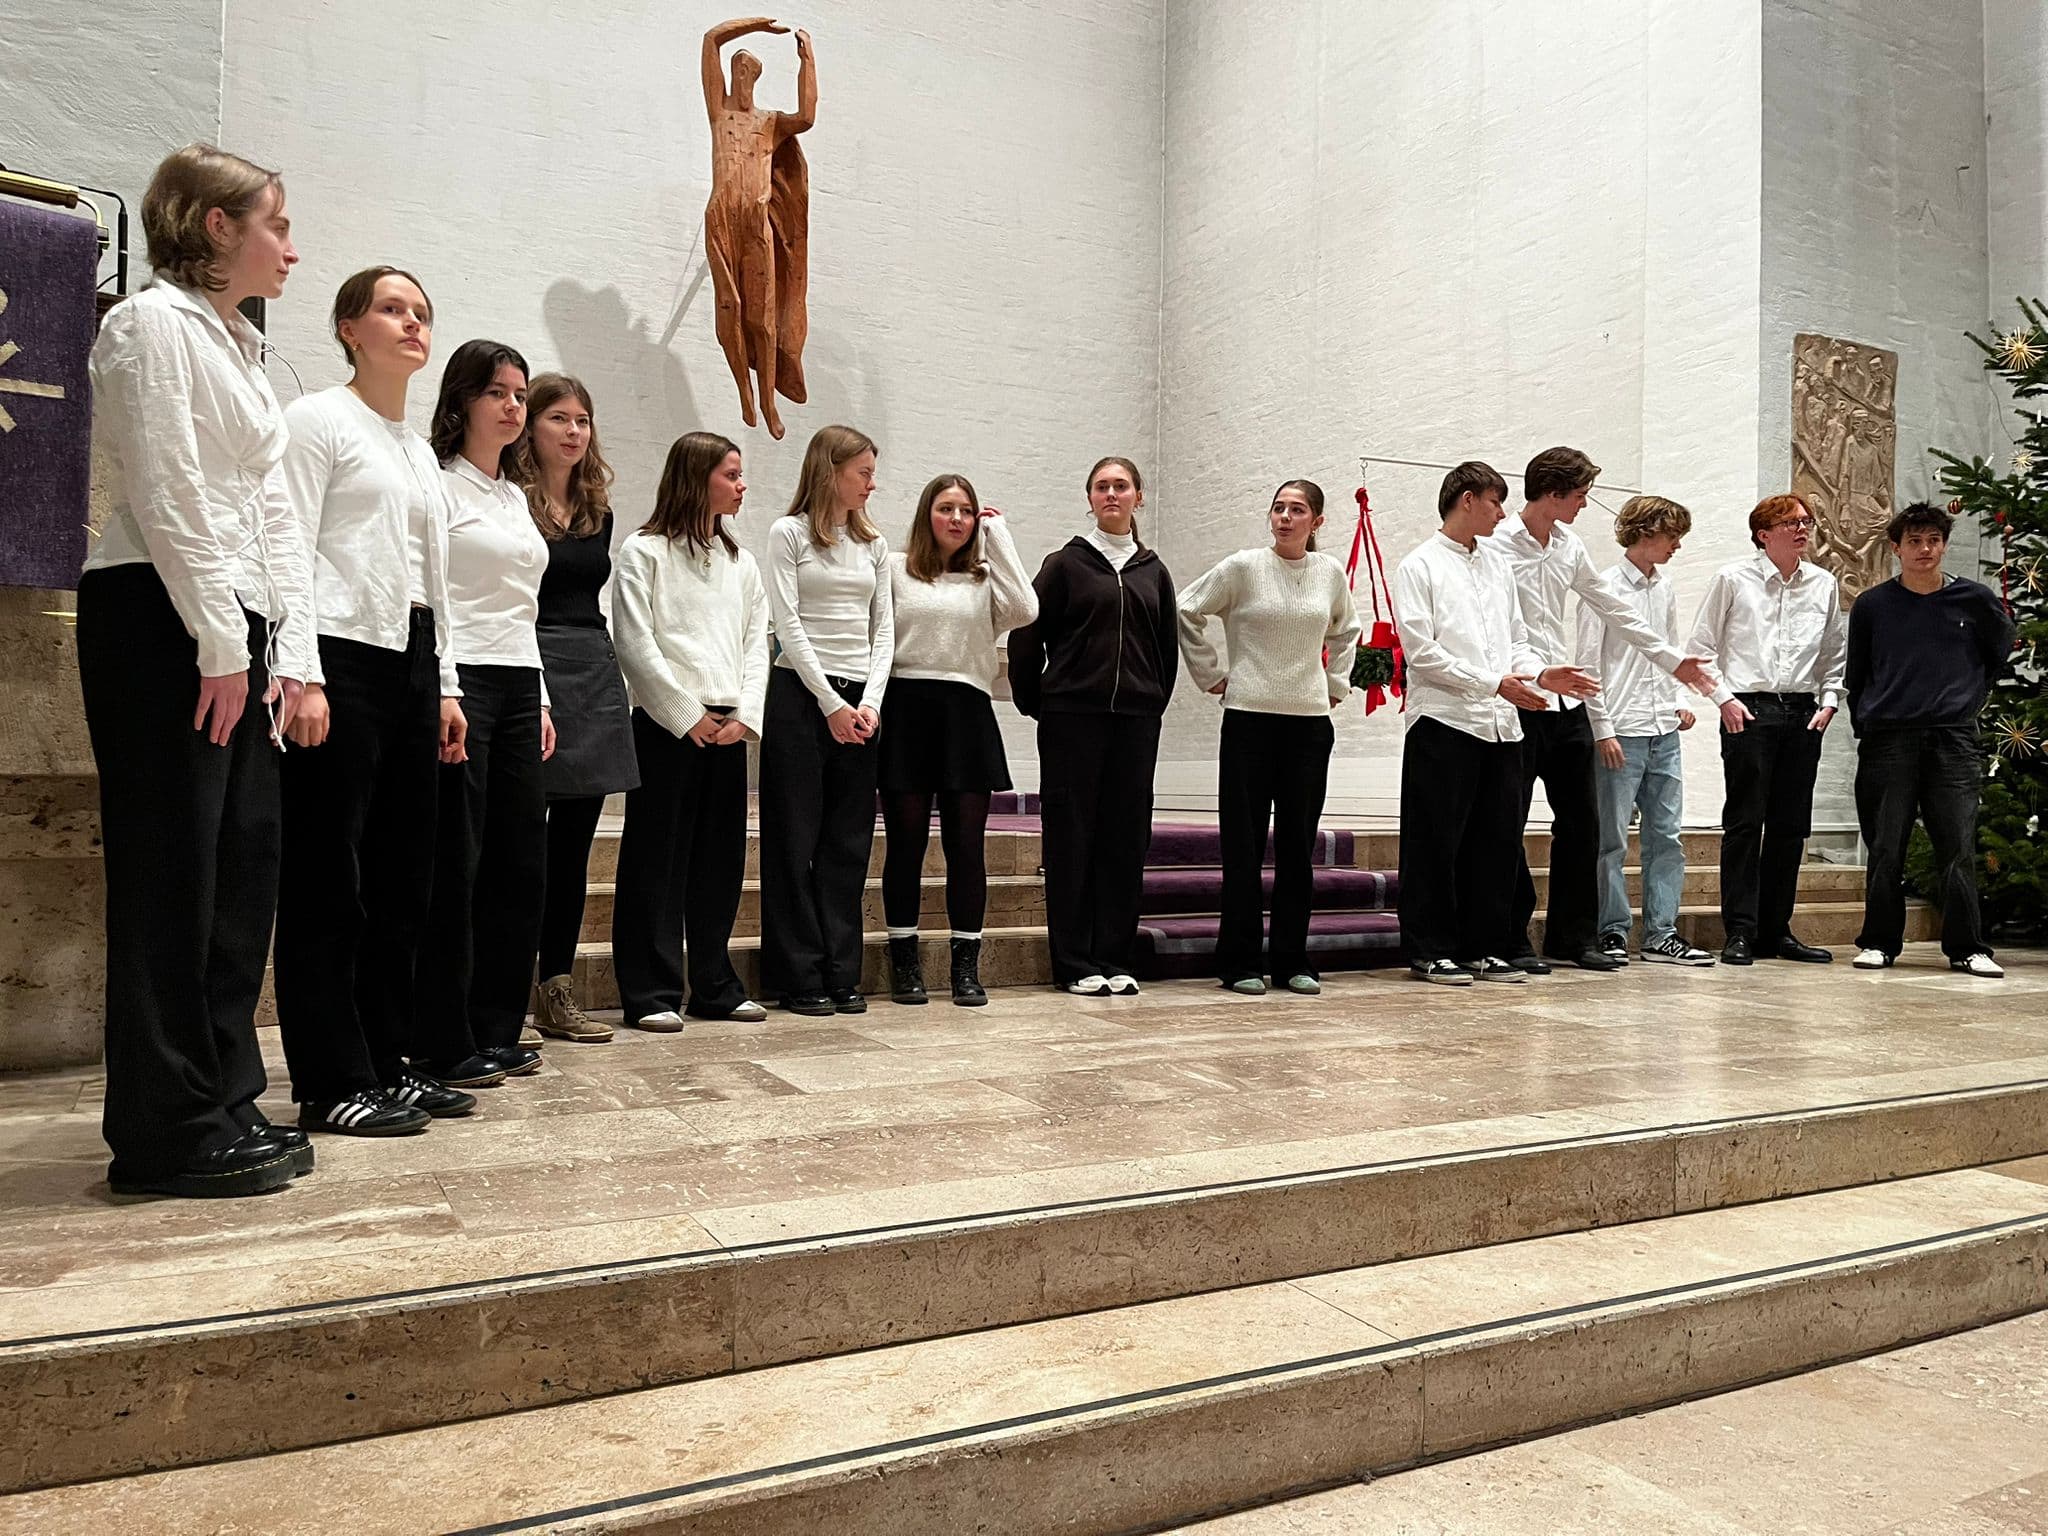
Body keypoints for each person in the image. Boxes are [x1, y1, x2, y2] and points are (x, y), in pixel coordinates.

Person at [77, 143, 314, 1197]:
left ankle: (223, 1089)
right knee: (174, 872)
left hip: (232, 627)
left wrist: (280, 652)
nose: (290, 247)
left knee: (241, 868)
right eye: (276, 224)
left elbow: (267, 509)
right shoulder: (147, 328)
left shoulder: (238, 344)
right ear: (215, 227)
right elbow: (169, 488)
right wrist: (220, 642)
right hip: (159, 616)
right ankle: (163, 1126)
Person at [275, 266, 478, 1136]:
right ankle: (328, 1079)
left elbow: (435, 581)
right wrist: (301, 670)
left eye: (422, 313)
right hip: (340, 658)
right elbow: (285, 543)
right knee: (329, 874)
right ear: (349, 327)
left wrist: (445, 683)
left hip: (410, 657)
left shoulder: (416, 454)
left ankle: (387, 1062)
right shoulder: (318, 420)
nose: (412, 324)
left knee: (405, 878)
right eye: (393, 309)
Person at [1496, 447, 1713, 974]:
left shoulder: (1568, 546)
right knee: (1508, 822)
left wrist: (1671, 661)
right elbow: (1499, 622)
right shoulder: (1499, 545)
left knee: (1583, 824)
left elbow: (1613, 607)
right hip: (1521, 693)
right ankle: (1510, 935)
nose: (1586, 504)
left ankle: (1573, 936)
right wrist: (1533, 672)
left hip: (1565, 696)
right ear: (1552, 493)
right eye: (1580, 494)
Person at [1392, 461, 1600, 985]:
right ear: (1467, 500)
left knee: (1496, 841)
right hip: (1444, 721)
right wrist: (1494, 683)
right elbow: (1422, 653)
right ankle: (1430, 949)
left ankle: (1485, 947)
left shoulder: (1495, 564)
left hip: (1501, 724)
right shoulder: (1420, 564)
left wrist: (1540, 672)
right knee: (1435, 842)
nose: (1501, 513)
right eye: (1494, 501)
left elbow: (1517, 639)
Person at [413, 340, 551, 1082]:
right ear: (462, 399)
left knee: (519, 861)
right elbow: (433, 595)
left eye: (520, 394)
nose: (511, 406)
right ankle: (445, 1031)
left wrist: (544, 694)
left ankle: (498, 1025)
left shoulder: (514, 498)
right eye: (497, 391)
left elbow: (523, 607)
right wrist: (444, 687)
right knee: (457, 862)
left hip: (519, 682)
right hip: (460, 678)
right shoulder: (440, 485)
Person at [609, 433, 771, 1027]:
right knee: (656, 858)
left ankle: (713, 984)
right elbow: (634, 642)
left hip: (728, 730)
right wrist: (684, 715)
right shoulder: (643, 551)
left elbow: (758, 643)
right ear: (696, 477)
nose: (741, 484)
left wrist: (745, 717)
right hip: (666, 726)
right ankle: (649, 992)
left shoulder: (741, 561)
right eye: (731, 474)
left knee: (719, 862)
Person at [1177, 479, 1359, 996]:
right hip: (1248, 721)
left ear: (1316, 522)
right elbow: (1187, 608)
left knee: (1298, 848)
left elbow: (1347, 630)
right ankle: (1238, 961)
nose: (1283, 517)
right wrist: (1210, 673)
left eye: (1296, 510)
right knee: (1243, 845)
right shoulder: (1242, 567)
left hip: (1307, 725)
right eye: (1278, 508)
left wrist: (1336, 685)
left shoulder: (1327, 573)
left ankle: (1291, 959)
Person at [1009, 456, 1177, 997]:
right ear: (1090, 498)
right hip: (1071, 721)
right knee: (1072, 839)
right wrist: (1041, 701)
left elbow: (1165, 650)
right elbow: (1024, 635)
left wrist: (1149, 701)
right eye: (1102, 487)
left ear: (1138, 497)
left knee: (1126, 840)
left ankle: (1115, 956)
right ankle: (1075, 962)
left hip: (1135, 723)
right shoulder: (1064, 564)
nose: (1112, 494)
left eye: (1121, 486)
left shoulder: (1154, 571)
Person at [880, 474, 1038, 1007]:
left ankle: (965, 968)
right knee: (905, 846)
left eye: (967, 512)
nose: (957, 519)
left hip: (966, 714)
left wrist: (1002, 536)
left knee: (965, 849)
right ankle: (905, 964)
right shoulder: (898, 569)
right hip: (905, 709)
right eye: (947, 508)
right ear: (928, 514)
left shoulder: (984, 578)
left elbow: (1026, 609)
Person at [514, 373, 637, 1046]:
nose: (573, 430)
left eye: (583, 420)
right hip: (527, 658)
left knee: (574, 846)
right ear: (531, 427)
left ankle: (555, 988)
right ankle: (502, 988)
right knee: (522, 842)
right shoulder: (511, 502)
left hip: (589, 666)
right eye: (558, 417)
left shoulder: (598, 509)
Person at [1847, 502, 2015, 977]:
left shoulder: (1975, 601)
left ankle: (1967, 947)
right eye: (1914, 542)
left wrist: (1964, 702)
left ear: (1943, 545)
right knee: (1885, 845)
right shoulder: (1873, 605)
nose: (1925, 550)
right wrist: (1869, 723)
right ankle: (1879, 941)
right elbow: (1857, 673)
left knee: (1957, 845)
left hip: (1953, 740)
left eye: (1933, 541)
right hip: (1888, 738)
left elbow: (1997, 653)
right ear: (1896, 548)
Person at [759, 424, 893, 1015]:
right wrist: (829, 703)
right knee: (794, 838)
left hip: (859, 700)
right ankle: (798, 974)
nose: (871, 482)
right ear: (829, 470)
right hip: (799, 695)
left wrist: (868, 702)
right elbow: (787, 624)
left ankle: (843, 970)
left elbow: (884, 630)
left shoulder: (874, 545)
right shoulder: (788, 534)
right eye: (862, 471)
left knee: (847, 842)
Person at [1686, 493, 1847, 966]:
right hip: (1748, 709)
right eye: (1792, 522)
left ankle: (1777, 930)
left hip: (1802, 712)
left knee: (1790, 827)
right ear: (1764, 533)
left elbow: (1833, 652)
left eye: (1807, 522)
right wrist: (1723, 699)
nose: (1803, 529)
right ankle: (1740, 930)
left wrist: (1831, 699)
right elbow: (1700, 648)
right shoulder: (1732, 579)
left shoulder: (1823, 583)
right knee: (1744, 822)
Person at [1575, 496, 1715, 967]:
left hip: (1663, 728)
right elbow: (1589, 661)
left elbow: (1669, 649)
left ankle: (1661, 933)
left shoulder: (1664, 587)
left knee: (1667, 837)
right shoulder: (1604, 587)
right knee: (1611, 839)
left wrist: (1679, 701)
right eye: (1672, 535)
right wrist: (1602, 728)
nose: (1677, 545)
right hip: (1622, 727)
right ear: (1644, 532)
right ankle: (1613, 930)